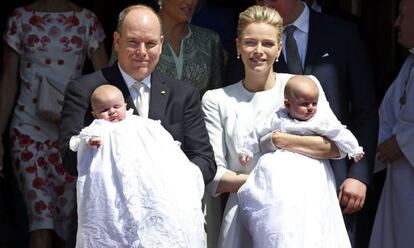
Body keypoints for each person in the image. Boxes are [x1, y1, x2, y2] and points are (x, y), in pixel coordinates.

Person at [224, 1, 378, 246]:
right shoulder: (253, 46)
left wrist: (358, 175)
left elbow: (365, 111)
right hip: (272, 199)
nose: (262, 2)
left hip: (333, 183)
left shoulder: (342, 33)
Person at [202, 5, 343, 248]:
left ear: (279, 48)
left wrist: (281, 140)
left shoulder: (304, 85)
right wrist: (269, 183)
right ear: (237, 46)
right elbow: (215, 176)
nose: (258, 51)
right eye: (250, 42)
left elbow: (335, 146)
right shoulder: (216, 99)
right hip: (245, 217)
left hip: (305, 214)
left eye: (267, 43)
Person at [59, 3, 216, 186]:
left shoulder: (183, 94)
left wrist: (170, 179)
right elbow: (69, 160)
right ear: (117, 41)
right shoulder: (85, 89)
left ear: (161, 45)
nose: (142, 52)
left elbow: (205, 161)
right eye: (133, 42)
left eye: (150, 44)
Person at [0, 0, 108, 247]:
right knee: (41, 220)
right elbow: (8, 79)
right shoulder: (21, 18)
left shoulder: (86, 20)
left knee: (71, 222)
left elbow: (103, 77)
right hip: (27, 131)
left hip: (70, 134)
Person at [70, 84, 205, 247]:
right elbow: (78, 140)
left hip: (144, 182)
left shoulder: (141, 124)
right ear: (95, 114)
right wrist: (91, 141)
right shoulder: (97, 128)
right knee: (112, 224)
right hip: (112, 185)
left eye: (116, 106)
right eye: (104, 109)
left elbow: (162, 143)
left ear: (125, 106)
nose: (112, 112)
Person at [237, 75, 363, 247]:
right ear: (287, 104)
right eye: (305, 104)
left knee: (310, 224)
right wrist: (247, 150)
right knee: (280, 222)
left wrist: (354, 149)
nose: (311, 108)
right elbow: (257, 132)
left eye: (314, 103)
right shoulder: (278, 118)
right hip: (279, 176)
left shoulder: (319, 120)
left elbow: (339, 133)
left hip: (311, 171)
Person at [369, 0, 414, 247]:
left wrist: (405, 142)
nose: (396, 23)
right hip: (398, 184)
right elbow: (385, 119)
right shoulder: (409, 64)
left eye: (402, 16)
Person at [109, 0, 225, 95]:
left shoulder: (209, 40)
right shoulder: (132, 37)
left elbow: (217, 93)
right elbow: (114, 84)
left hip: (195, 121)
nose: (190, 1)